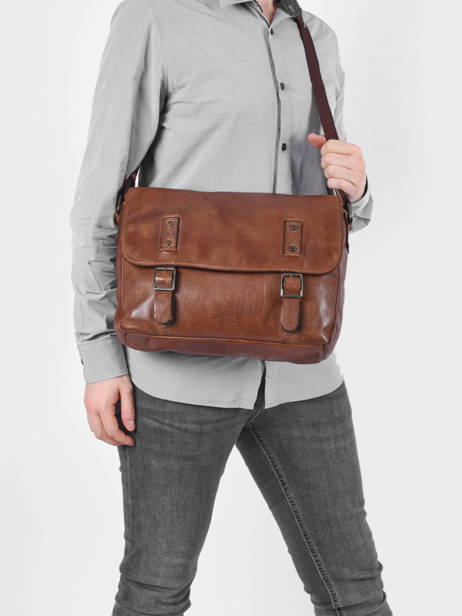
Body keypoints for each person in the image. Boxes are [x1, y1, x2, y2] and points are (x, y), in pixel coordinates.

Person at [70, 1, 392, 615]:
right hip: (175, 373)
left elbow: (323, 216)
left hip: (301, 369)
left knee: (356, 594)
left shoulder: (316, 38)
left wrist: (358, 188)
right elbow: (98, 203)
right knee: (155, 593)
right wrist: (99, 355)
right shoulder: (155, 19)